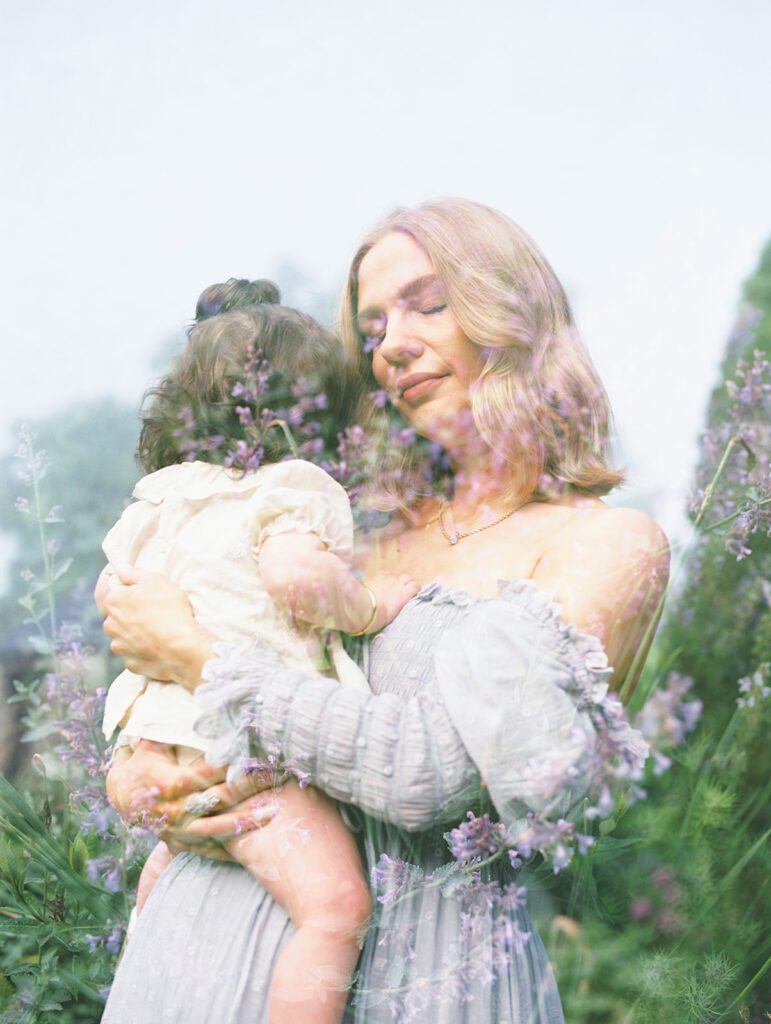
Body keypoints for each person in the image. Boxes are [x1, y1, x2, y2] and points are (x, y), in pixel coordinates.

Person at [101, 198, 669, 1024]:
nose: (391, 345)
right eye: (370, 331)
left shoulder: (607, 546)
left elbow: (436, 779)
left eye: (429, 305)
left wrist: (202, 660)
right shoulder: (332, 523)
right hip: (202, 959)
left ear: (515, 316)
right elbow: (165, 689)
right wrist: (141, 780)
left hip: (431, 983)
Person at [97, 279, 417, 1024]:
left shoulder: (164, 495)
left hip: (154, 742)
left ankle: (145, 963)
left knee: (166, 871)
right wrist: (369, 603)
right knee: (335, 909)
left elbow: (116, 593)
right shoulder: (292, 488)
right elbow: (295, 575)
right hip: (242, 754)